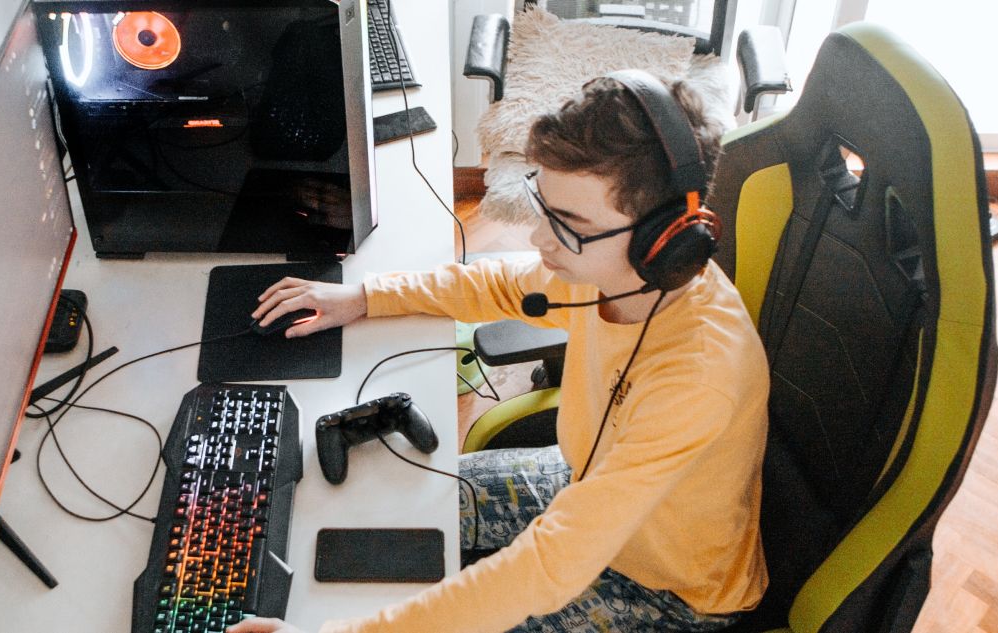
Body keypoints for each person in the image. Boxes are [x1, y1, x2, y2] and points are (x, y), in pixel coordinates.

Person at [232, 73, 769, 633]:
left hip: (671, 592)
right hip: (577, 484)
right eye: (546, 206)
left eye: (569, 226)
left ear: (663, 242)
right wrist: (366, 297)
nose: (539, 239)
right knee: (395, 503)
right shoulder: (608, 274)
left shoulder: (697, 378)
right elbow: (503, 285)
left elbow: (549, 565)